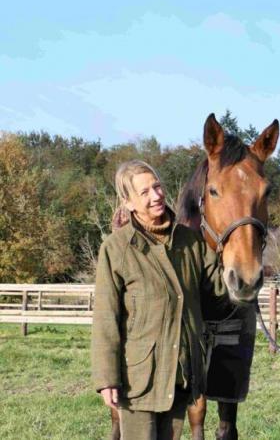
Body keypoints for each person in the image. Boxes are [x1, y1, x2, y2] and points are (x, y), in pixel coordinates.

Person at [91, 160, 223, 440]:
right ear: (128, 203)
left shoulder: (190, 241)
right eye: (144, 192)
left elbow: (220, 286)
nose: (156, 196)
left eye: (157, 186)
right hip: (139, 380)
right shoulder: (116, 249)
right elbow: (106, 319)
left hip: (181, 374)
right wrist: (106, 379)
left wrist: (247, 267)